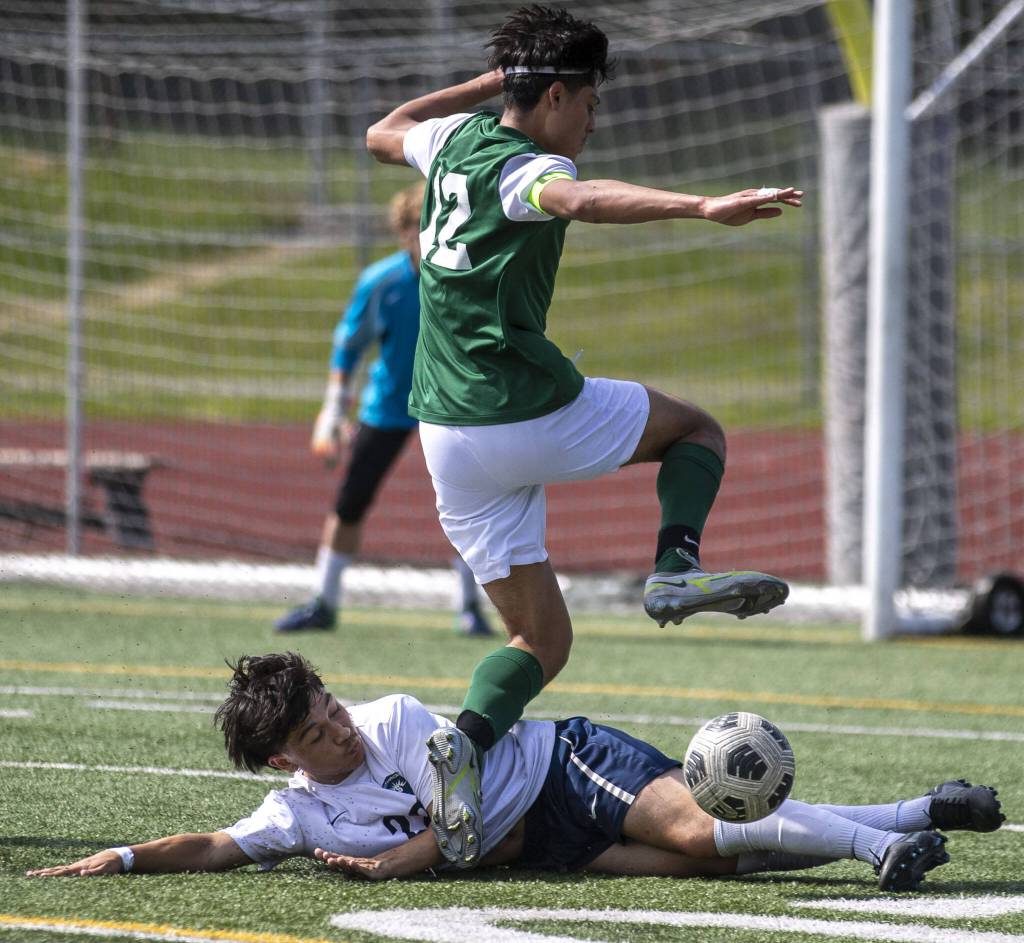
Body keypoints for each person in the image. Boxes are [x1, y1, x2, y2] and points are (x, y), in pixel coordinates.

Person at [365, 5, 802, 865]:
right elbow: (581, 198)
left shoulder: (449, 140)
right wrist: (704, 204)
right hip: (525, 409)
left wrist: (491, 84)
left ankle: (468, 743)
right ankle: (675, 568)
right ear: (557, 94)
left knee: (542, 641)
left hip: (446, 435)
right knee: (696, 431)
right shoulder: (531, 167)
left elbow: (385, 129)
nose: (594, 119)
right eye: (590, 102)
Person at [26, 652, 1004, 891]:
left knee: (702, 828)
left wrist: (390, 870)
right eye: (318, 732)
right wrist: (116, 857)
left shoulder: (399, 720)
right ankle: (914, 808)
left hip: (565, 769)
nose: (341, 729)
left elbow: (452, 834)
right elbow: (215, 842)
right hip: (548, 853)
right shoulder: (298, 813)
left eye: (330, 706)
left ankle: (879, 844)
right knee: (712, 860)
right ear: (286, 760)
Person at [274, 184, 493, 637]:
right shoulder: (381, 282)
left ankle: (469, 605)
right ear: (403, 231)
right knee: (351, 501)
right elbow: (349, 347)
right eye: (421, 226)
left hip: (451, 407)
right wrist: (333, 412)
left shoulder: (464, 277)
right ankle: (325, 602)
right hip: (389, 405)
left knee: (467, 504)